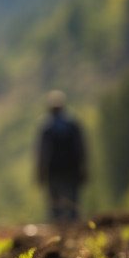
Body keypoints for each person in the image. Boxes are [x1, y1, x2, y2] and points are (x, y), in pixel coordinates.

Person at [35, 90, 87, 223]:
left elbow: (42, 152)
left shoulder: (47, 127)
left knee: (55, 204)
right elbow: (81, 147)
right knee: (72, 202)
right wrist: (83, 167)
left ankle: (59, 231)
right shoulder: (73, 124)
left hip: (53, 171)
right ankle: (74, 228)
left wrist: (40, 172)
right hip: (72, 169)